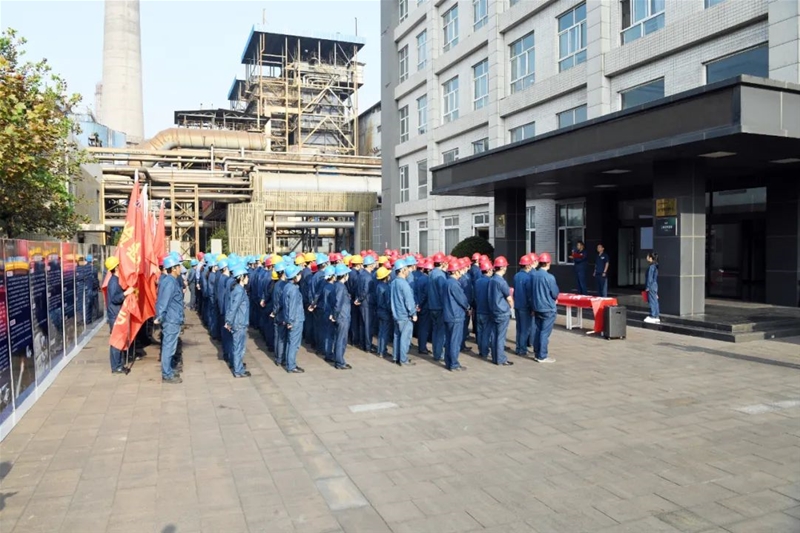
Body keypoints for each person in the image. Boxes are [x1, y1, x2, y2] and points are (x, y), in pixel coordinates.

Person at [154, 255, 185, 384]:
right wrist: (160, 317)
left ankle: (169, 370)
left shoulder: (171, 281)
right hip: (171, 319)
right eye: (178, 266)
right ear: (173, 268)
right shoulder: (169, 282)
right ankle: (167, 374)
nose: (180, 269)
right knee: (168, 347)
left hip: (174, 318)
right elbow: (163, 302)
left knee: (170, 347)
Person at [105, 256, 133, 374]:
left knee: (120, 340)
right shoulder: (113, 282)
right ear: (116, 268)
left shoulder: (115, 280)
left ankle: (119, 365)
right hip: (115, 315)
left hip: (117, 314)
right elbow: (115, 299)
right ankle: (116, 366)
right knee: (116, 341)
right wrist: (126, 293)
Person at [224, 264, 251, 378]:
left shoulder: (238, 289)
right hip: (239, 323)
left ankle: (239, 368)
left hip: (239, 322)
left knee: (238, 347)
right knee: (238, 347)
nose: (248, 278)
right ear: (241, 277)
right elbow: (233, 308)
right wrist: (228, 322)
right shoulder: (239, 291)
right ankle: (238, 370)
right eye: (246, 276)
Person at [531, 252, 558, 363]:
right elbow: (555, 293)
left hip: (537, 307)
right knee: (544, 332)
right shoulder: (549, 277)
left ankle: (537, 353)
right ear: (548, 263)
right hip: (548, 308)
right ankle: (542, 356)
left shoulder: (534, 275)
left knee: (538, 330)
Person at [442, 259, 469, 371]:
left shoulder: (446, 282)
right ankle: (454, 364)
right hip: (456, 316)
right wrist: (468, 307)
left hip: (448, 315)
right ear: (456, 271)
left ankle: (448, 362)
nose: (461, 273)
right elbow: (462, 299)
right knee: (455, 341)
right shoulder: (454, 284)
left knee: (449, 340)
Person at [487, 256, 514, 366]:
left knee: (494, 335)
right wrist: (511, 307)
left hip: (493, 311)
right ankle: (500, 359)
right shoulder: (501, 281)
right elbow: (509, 298)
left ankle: (495, 357)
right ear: (502, 267)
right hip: (502, 311)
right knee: (501, 337)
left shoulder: (491, 280)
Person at [390, 259, 417, 366]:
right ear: (402, 270)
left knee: (397, 336)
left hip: (396, 314)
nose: (408, 271)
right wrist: (413, 313)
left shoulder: (393, 283)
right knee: (405, 338)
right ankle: (403, 359)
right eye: (406, 269)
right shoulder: (404, 284)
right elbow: (409, 301)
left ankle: (396, 357)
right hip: (404, 315)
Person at [282, 265, 306, 373]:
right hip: (296, 319)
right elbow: (292, 306)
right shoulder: (293, 289)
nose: (300, 275)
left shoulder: (287, 286)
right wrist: (290, 321)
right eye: (299, 274)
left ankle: (290, 363)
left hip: (292, 318)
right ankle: (291, 366)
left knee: (290, 342)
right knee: (294, 344)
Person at [330, 264, 353, 369]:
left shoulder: (336, 285)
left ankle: (338, 359)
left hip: (341, 315)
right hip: (342, 316)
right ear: (344, 275)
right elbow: (338, 303)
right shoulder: (341, 287)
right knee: (341, 340)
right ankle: (340, 362)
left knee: (338, 339)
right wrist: (335, 315)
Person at [427, 253, 447, 361]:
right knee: (440, 333)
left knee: (435, 331)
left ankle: (436, 352)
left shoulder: (431, 273)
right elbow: (442, 292)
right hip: (439, 307)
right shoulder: (440, 275)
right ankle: (439, 354)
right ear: (442, 263)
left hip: (432, 306)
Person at [513, 254, 534, 356]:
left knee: (519, 328)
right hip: (525, 307)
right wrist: (532, 307)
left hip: (517, 305)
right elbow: (529, 294)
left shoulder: (516, 276)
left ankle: (518, 348)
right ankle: (522, 349)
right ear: (527, 265)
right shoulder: (528, 278)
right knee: (525, 329)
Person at [474, 259, 494, 359]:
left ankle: (481, 350)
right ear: (489, 270)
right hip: (487, 311)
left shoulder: (477, 281)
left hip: (479, 310)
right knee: (486, 333)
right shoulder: (490, 282)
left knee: (480, 332)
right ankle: (485, 351)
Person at [358, 255, 378, 353]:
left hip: (363, 303)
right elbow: (365, 290)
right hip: (367, 303)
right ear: (370, 265)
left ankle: (363, 344)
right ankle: (368, 346)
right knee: (368, 325)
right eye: (373, 263)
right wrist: (360, 299)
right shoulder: (368, 277)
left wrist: (358, 299)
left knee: (363, 324)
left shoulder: (361, 274)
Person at [271, 262, 288, 366]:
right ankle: (280, 358)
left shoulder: (276, 284)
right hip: (281, 313)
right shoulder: (284, 285)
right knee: (281, 338)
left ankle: (278, 357)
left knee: (277, 336)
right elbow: (282, 302)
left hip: (277, 313)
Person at [375, 266, 392, 358]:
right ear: (385, 277)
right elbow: (388, 302)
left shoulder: (378, 286)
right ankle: (383, 351)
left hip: (379, 310)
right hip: (385, 312)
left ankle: (379, 350)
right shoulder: (386, 287)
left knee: (381, 331)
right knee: (385, 332)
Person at [414, 260, 431, 355]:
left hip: (419, 306)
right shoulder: (427, 280)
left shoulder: (419, 279)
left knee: (421, 327)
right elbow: (425, 295)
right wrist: (420, 304)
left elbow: (416, 292)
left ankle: (421, 346)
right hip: (424, 306)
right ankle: (422, 347)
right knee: (424, 328)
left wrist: (417, 304)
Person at [644, 252, 660, 324]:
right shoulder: (655, 266)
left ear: (650, 258)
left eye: (647, 256)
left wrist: (647, 287)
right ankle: (656, 315)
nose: (646, 258)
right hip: (655, 285)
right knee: (655, 300)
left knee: (652, 301)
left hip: (651, 286)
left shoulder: (651, 267)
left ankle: (653, 316)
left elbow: (649, 278)